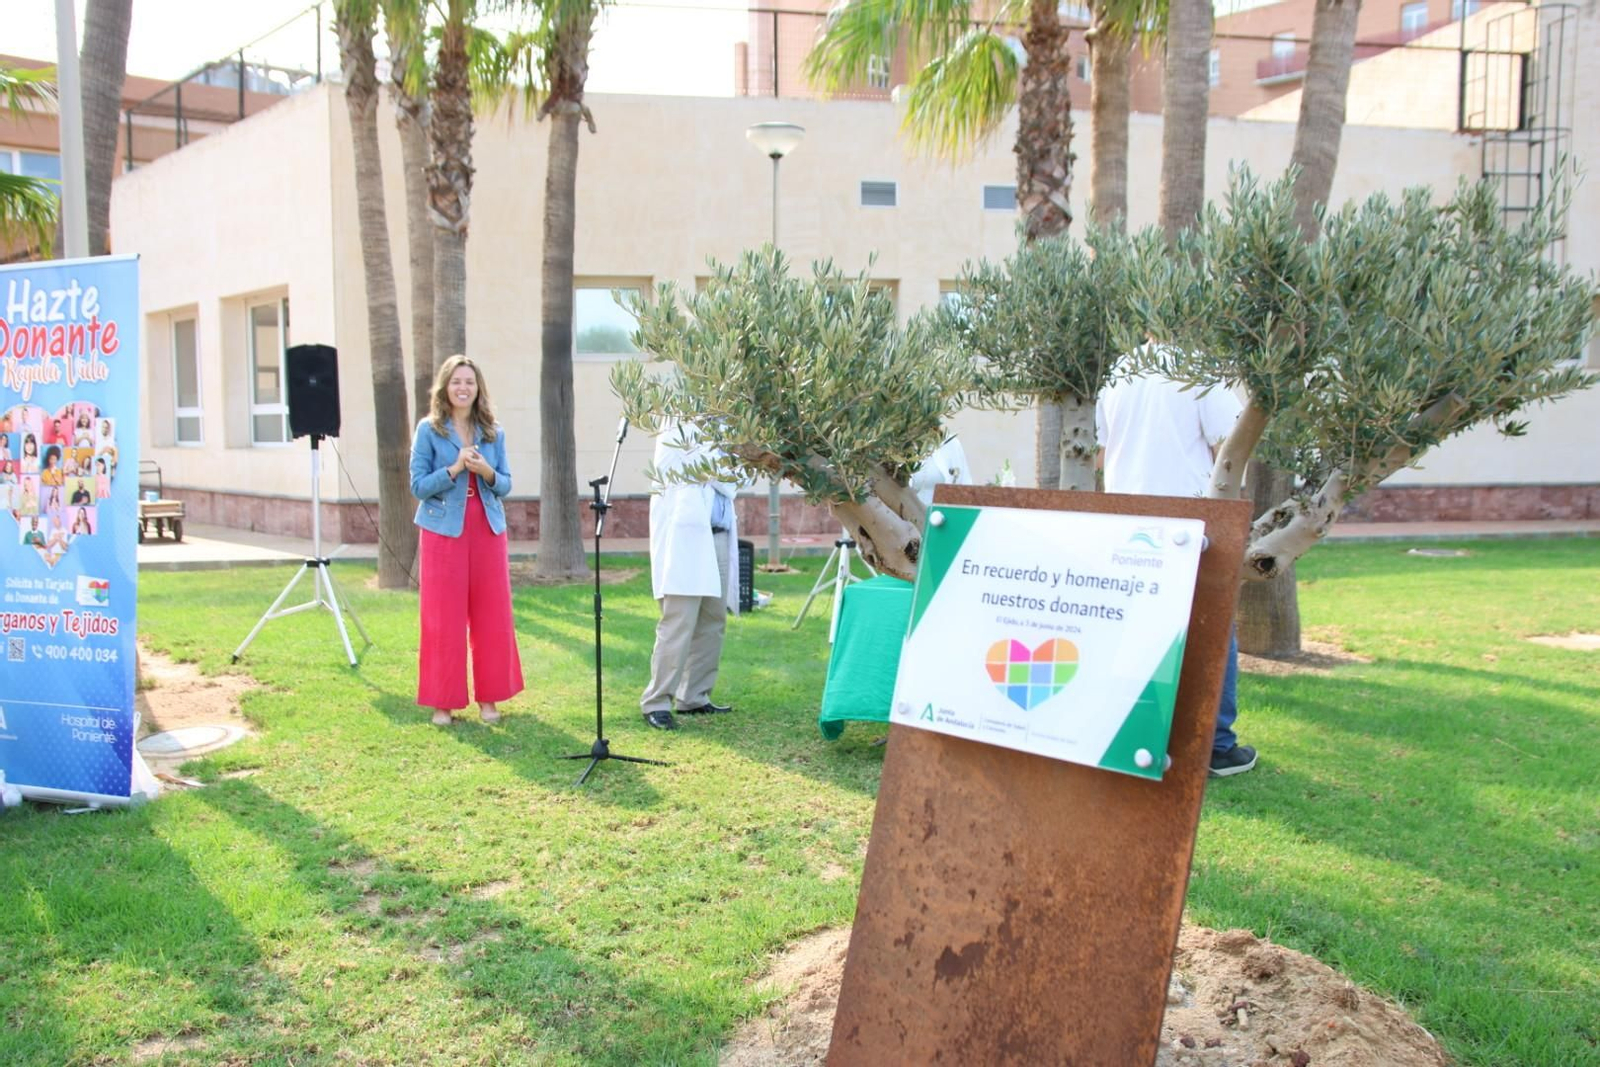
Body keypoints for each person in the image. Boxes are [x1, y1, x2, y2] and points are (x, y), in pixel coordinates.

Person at [1096, 363, 1257, 778]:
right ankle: (1218, 748)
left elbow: (1100, 452)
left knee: (1136, 633)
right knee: (1215, 628)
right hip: (1189, 524)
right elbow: (1234, 445)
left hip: (1127, 521)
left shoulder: (1120, 371)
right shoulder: (1200, 369)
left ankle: (1133, 737)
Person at [409, 354, 523, 726]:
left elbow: (505, 483)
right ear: (445, 387)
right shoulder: (429, 429)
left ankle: (489, 700)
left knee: (493, 616)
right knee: (444, 618)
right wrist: (455, 469)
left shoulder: (494, 431)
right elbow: (418, 486)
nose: (463, 388)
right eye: (456, 381)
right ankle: (443, 704)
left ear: (478, 389)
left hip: (488, 530)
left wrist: (486, 471)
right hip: (443, 532)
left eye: (469, 382)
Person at [639, 420, 740, 731]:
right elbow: (705, 471)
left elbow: (737, 479)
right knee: (678, 620)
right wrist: (722, 467)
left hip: (719, 533)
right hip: (687, 538)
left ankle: (694, 696)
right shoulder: (674, 427)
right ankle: (656, 702)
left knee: (713, 619)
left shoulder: (728, 426)